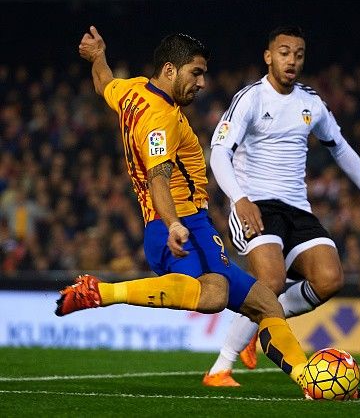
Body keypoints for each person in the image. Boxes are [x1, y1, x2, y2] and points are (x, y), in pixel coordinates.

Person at [55, 26, 312, 393]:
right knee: (212, 296)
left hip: (197, 223)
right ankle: (101, 292)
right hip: (172, 223)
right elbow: (159, 177)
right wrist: (174, 222)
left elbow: (104, 84)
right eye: (196, 72)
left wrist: (98, 58)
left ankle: (310, 380)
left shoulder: (133, 90)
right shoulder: (159, 119)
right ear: (170, 70)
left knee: (265, 302)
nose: (202, 82)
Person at [203, 26, 360, 386]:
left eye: (298, 54)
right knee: (272, 281)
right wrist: (239, 198)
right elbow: (218, 152)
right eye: (284, 52)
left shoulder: (310, 102)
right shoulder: (251, 98)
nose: (291, 60)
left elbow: (339, 147)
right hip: (255, 204)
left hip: (296, 208)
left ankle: (264, 322)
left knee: (329, 279)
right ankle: (220, 367)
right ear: (268, 56)